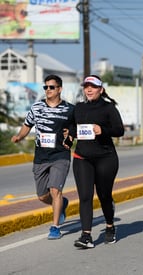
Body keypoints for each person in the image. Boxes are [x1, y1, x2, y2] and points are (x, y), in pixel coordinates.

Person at [11, 74, 74, 239]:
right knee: (42, 196)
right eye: (45, 87)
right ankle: (62, 204)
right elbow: (27, 125)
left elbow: (74, 129)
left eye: (51, 87)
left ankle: (55, 227)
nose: (48, 90)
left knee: (55, 190)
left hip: (60, 155)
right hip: (41, 155)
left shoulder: (70, 109)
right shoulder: (37, 107)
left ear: (59, 89)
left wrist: (71, 136)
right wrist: (19, 136)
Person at [70, 75, 125, 249]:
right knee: (85, 197)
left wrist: (103, 130)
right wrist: (69, 135)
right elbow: (71, 126)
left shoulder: (108, 108)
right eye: (86, 86)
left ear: (100, 89)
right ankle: (86, 235)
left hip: (105, 158)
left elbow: (119, 130)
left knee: (104, 196)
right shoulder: (78, 108)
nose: (89, 89)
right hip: (82, 157)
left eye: (93, 86)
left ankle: (110, 225)